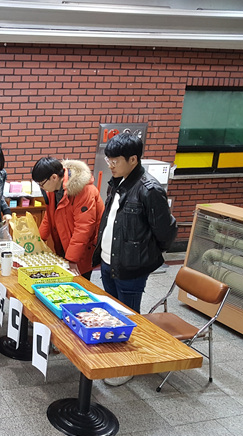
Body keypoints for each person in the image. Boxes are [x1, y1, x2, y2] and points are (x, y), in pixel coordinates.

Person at [93, 133, 177, 387]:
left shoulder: (149, 190)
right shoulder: (117, 182)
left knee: (127, 316)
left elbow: (166, 232)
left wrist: (143, 255)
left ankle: (126, 365)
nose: (110, 165)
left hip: (131, 266)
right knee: (111, 313)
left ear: (133, 159)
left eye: (115, 160)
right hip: (109, 261)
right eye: (108, 159)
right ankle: (113, 357)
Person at [31, 157, 105, 279]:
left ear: (54, 177)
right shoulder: (53, 189)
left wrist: (72, 259)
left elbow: (83, 228)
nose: (41, 188)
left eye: (41, 184)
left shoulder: (83, 190)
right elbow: (49, 218)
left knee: (79, 284)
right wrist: (37, 242)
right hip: (66, 245)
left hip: (83, 251)